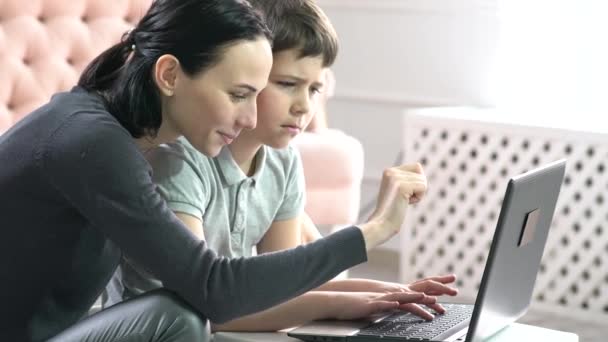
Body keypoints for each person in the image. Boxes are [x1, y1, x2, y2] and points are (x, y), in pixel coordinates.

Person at [0, 0, 430, 341]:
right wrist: (374, 230)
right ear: (169, 74)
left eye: (257, 95)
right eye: (238, 94)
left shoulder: (106, 129)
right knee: (176, 314)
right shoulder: (94, 144)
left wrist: (381, 294)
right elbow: (213, 290)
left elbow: (249, 278)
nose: (248, 118)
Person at [105, 0, 456, 333]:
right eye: (288, 85)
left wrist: (392, 293)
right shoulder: (178, 163)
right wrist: (336, 303)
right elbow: (208, 305)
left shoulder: (282, 161)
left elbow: (285, 285)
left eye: (315, 88)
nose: (304, 106)